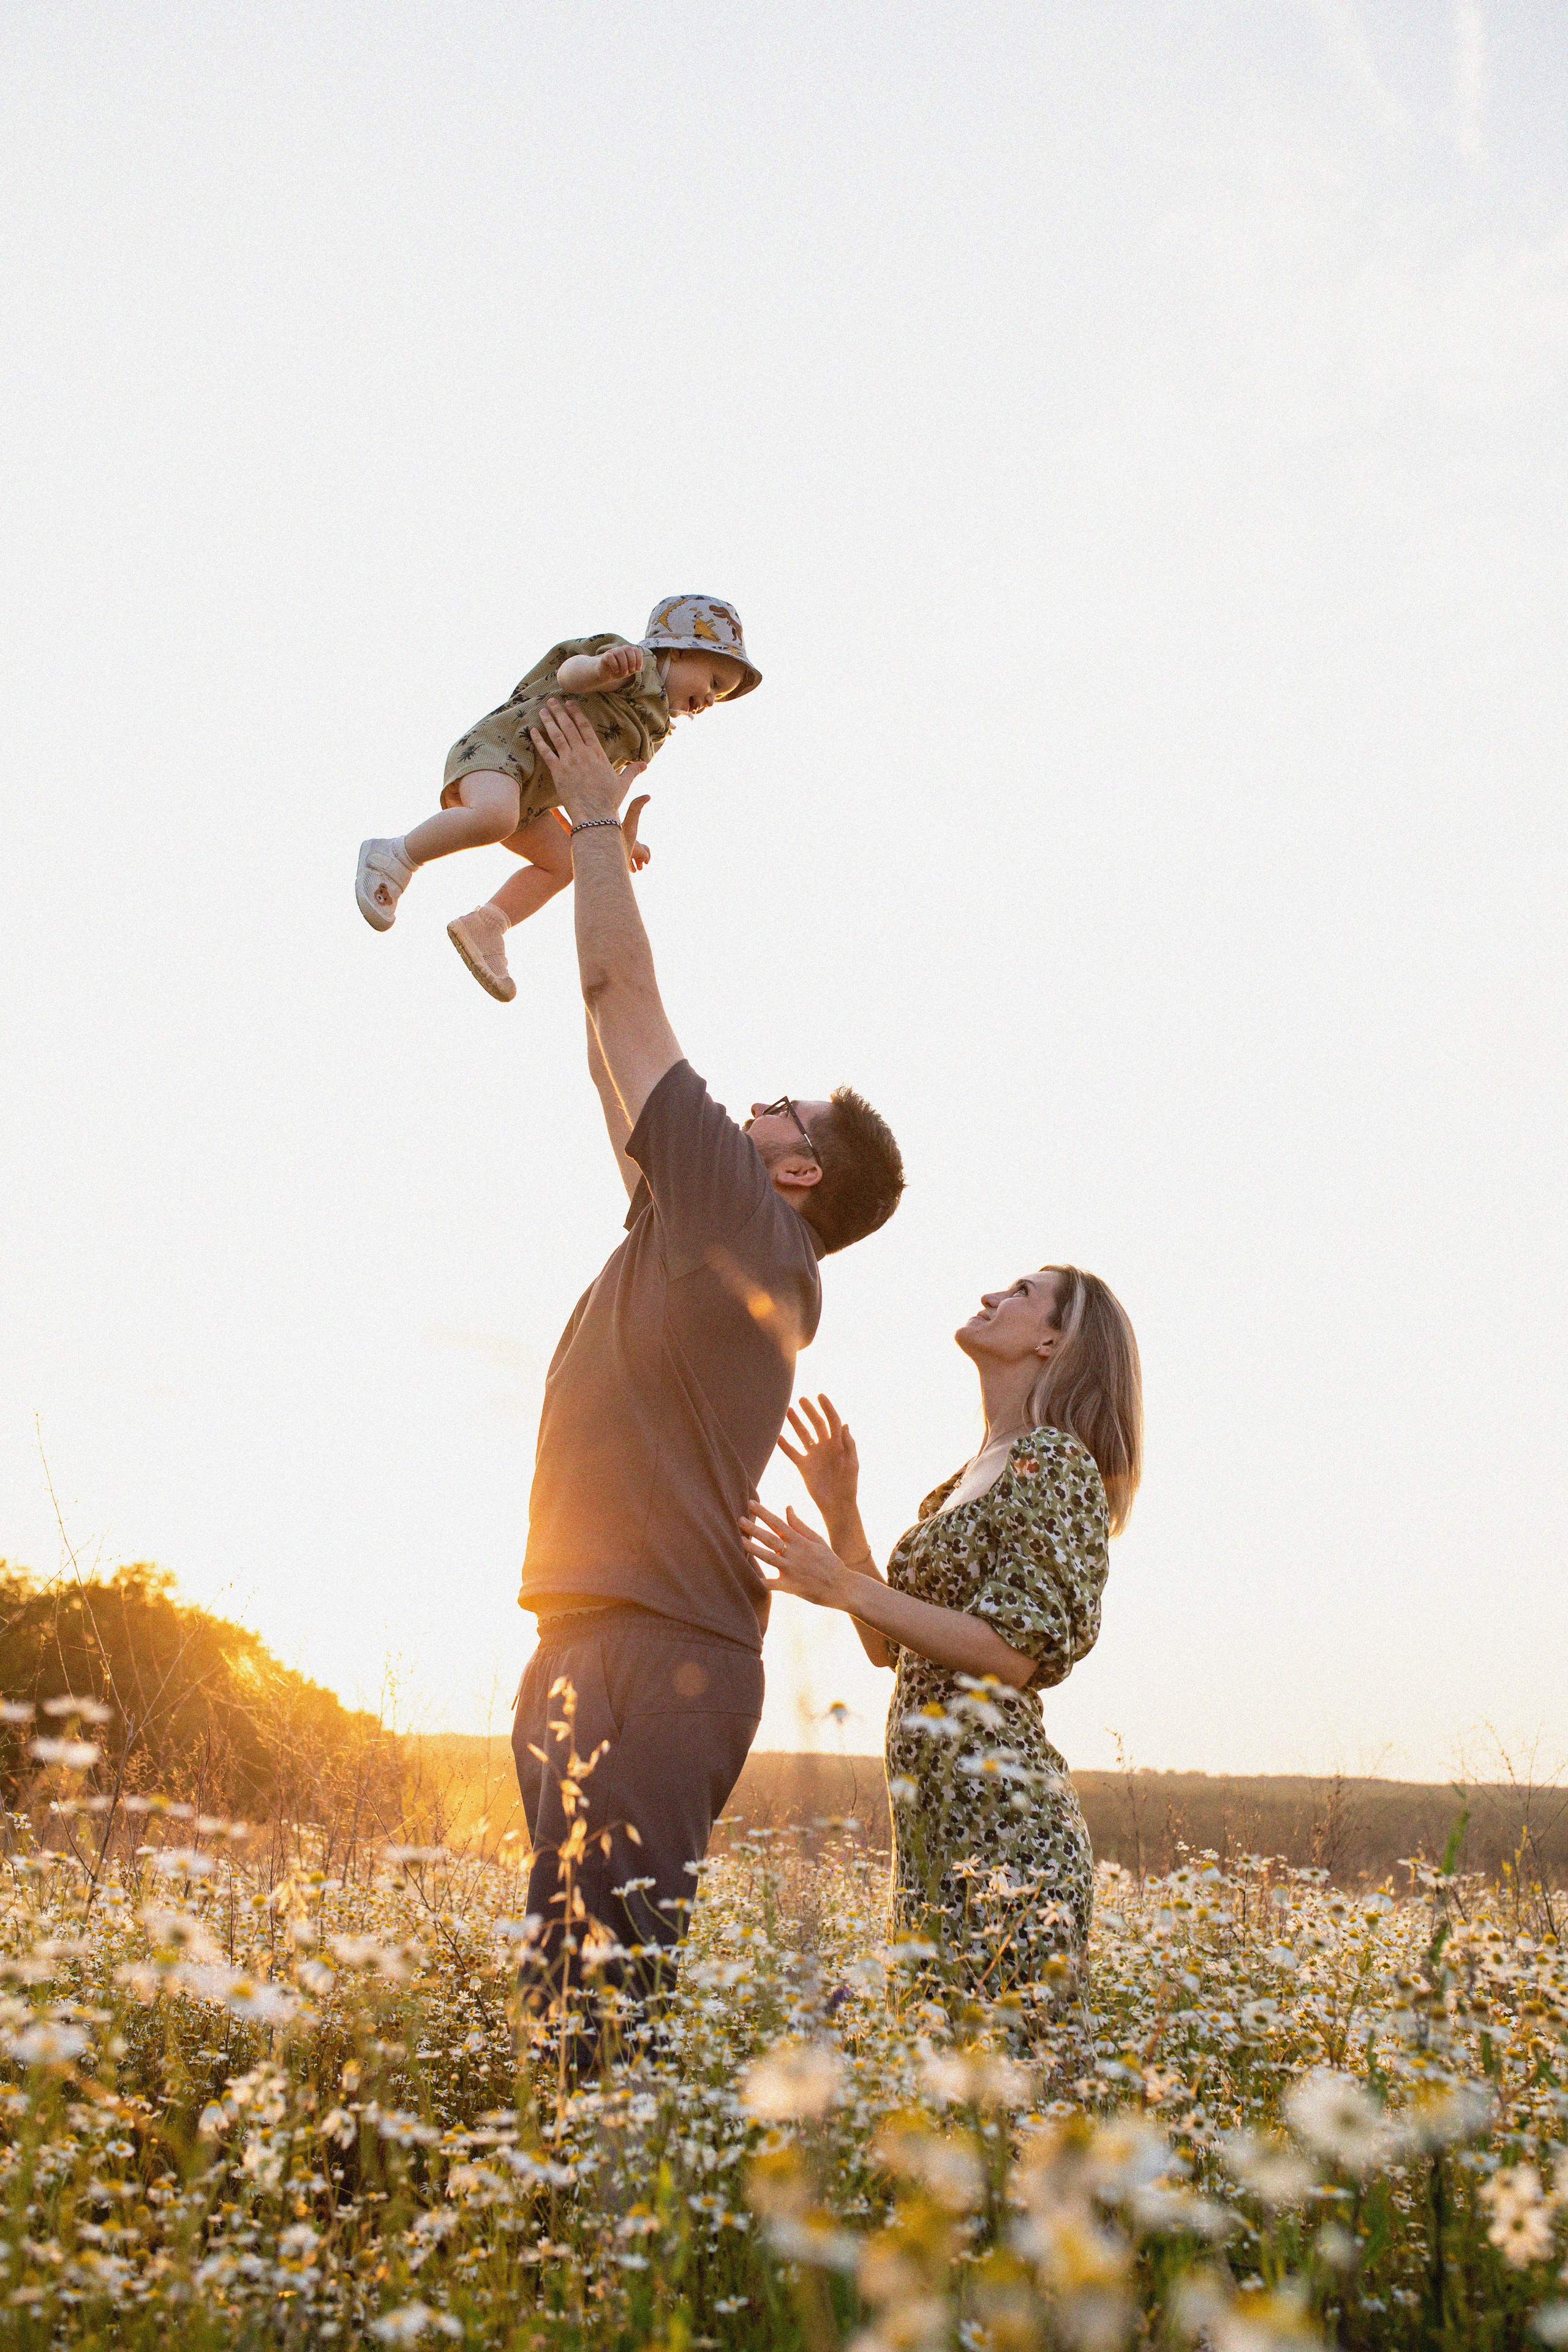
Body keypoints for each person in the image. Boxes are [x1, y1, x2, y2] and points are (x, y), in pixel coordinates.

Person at [509, 695, 905, 2062]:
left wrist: (603, 825)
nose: (756, 1103)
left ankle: (617, 2241)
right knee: (565, 1972)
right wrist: (587, 866)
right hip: (583, 1629)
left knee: (608, 1989)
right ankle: (566, 2231)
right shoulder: (691, 1219)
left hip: (667, 1650)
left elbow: (627, 1007)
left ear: (797, 1171)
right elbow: (608, 1053)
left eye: (783, 1110)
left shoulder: (748, 1221)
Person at [741, 1266, 1142, 2044]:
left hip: (1005, 1830)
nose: (992, 1296)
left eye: (1022, 1293)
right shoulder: (962, 1482)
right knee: (936, 2095)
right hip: (935, 1835)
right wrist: (840, 1509)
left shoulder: (1053, 1464)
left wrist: (841, 1585)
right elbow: (890, 1648)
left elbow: (1012, 1654)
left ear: (1054, 1338)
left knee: (1004, 2093)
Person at [355, 594, 760, 1003]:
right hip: (504, 750)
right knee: (496, 817)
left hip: (534, 795)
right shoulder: (638, 668)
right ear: (676, 650)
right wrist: (600, 669)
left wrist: (616, 834)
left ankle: (487, 925)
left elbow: (591, 786)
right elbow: (570, 675)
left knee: (567, 863)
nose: (711, 700)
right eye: (713, 683)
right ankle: (394, 856)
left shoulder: (650, 730)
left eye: (720, 696)